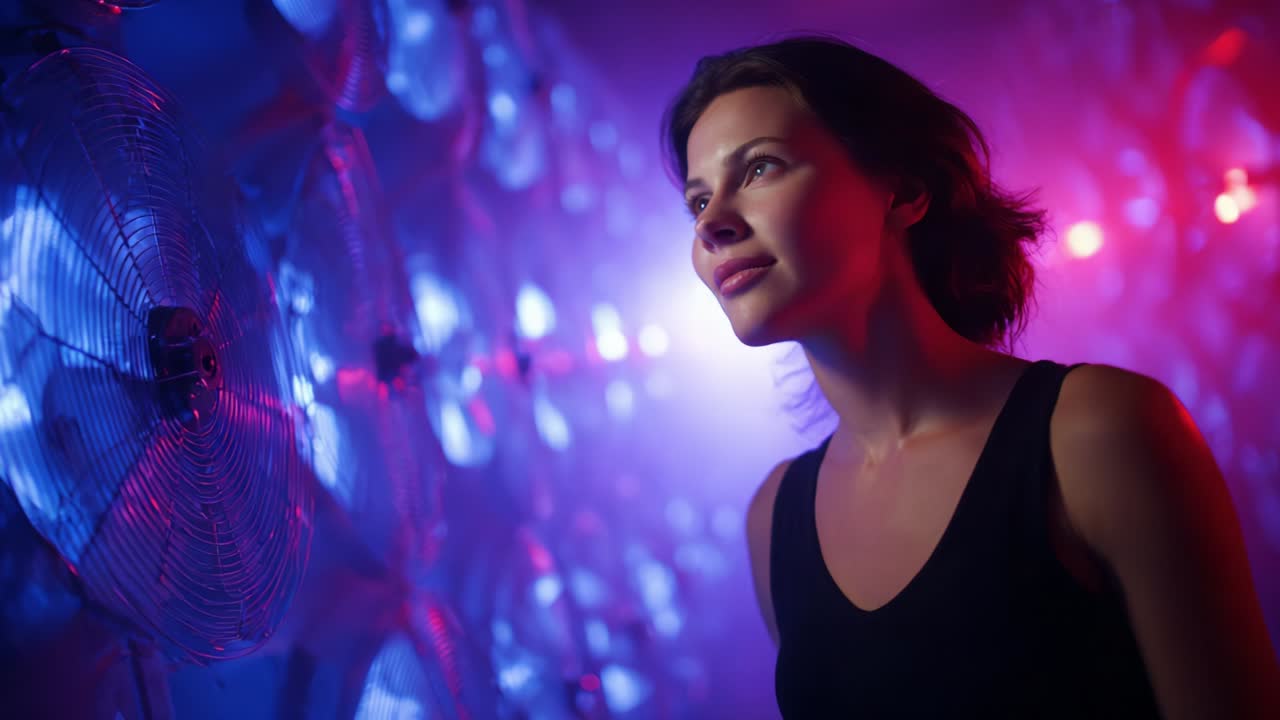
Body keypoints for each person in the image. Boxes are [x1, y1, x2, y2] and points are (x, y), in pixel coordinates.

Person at [661, 35, 1280, 718]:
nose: (713, 222)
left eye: (759, 169)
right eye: (696, 201)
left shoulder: (1098, 432)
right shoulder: (772, 520)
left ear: (902, 191)